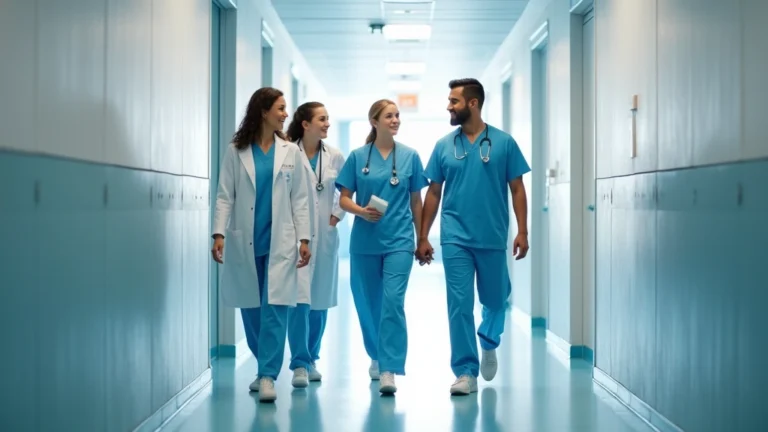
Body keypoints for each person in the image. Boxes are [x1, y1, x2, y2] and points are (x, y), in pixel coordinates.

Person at [417, 78, 530, 396]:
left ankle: (489, 340)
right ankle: (465, 371)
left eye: (454, 101)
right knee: (459, 305)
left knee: (496, 301)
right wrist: (424, 236)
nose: (448, 106)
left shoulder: (504, 143)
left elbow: (517, 188)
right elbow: (434, 192)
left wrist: (522, 230)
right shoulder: (443, 146)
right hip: (455, 238)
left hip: (493, 236)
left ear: (473, 104)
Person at [211, 87, 312, 403]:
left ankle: (268, 375)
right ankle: (262, 366)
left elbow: (300, 199)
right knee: (251, 309)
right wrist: (218, 233)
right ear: (264, 111)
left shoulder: (290, 151)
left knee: (275, 308)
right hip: (246, 240)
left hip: (279, 241)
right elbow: (225, 194)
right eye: (281, 108)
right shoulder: (236, 151)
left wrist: (304, 238)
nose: (285, 114)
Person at [335, 99, 428, 395]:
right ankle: (376, 354)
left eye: (398, 115)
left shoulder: (411, 156)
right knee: (367, 304)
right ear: (374, 121)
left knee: (392, 301)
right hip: (365, 242)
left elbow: (416, 201)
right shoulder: (358, 156)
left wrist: (422, 236)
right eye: (389, 116)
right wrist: (361, 211)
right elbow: (343, 199)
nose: (396, 120)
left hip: (400, 241)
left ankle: (389, 368)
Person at [284, 101, 346, 388]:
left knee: (319, 300)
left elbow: (345, 191)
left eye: (328, 119)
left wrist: (336, 215)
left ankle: (311, 359)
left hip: (325, 233)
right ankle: (298, 362)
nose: (327, 124)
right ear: (305, 124)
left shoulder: (334, 156)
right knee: (298, 299)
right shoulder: (286, 153)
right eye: (322, 119)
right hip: (295, 235)